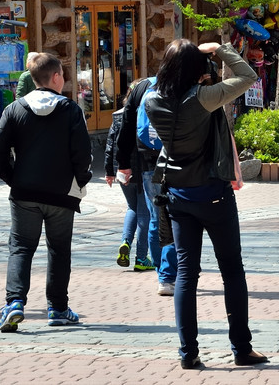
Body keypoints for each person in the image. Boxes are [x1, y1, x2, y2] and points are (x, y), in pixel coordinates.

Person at [135, 40, 267, 370]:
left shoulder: (151, 101)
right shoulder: (205, 98)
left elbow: (168, 89)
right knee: (232, 271)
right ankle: (241, 348)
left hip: (178, 196)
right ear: (197, 70)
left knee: (185, 277)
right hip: (214, 194)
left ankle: (187, 353)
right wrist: (220, 49)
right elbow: (248, 75)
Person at [0, 52, 92, 333]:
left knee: (21, 247)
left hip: (25, 192)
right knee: (59, 250)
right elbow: (83, 154)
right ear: (56, 77)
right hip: (61, 193)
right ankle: (57, 308)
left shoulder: (15, 109)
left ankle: (14, 303)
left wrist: (14, 179)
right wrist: (81, 181)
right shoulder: (71, 110)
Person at [116, 76, 177, 296]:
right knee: (177, 217)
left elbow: (126, 125)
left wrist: (123, 163)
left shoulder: (142, 87)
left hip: (149, 161)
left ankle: (163, 276)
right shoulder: (183, 82)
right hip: (180, 160)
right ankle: (173, 272)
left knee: (155, 217)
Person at [104, 96, 154, 272]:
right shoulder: (145, 113)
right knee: (144, 213)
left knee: (132, 208)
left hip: (123, 170)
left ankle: (125, 241)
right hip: (142, 170)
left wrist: (109, 170)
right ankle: (141, 257)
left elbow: (110, 144)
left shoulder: (117, 117)